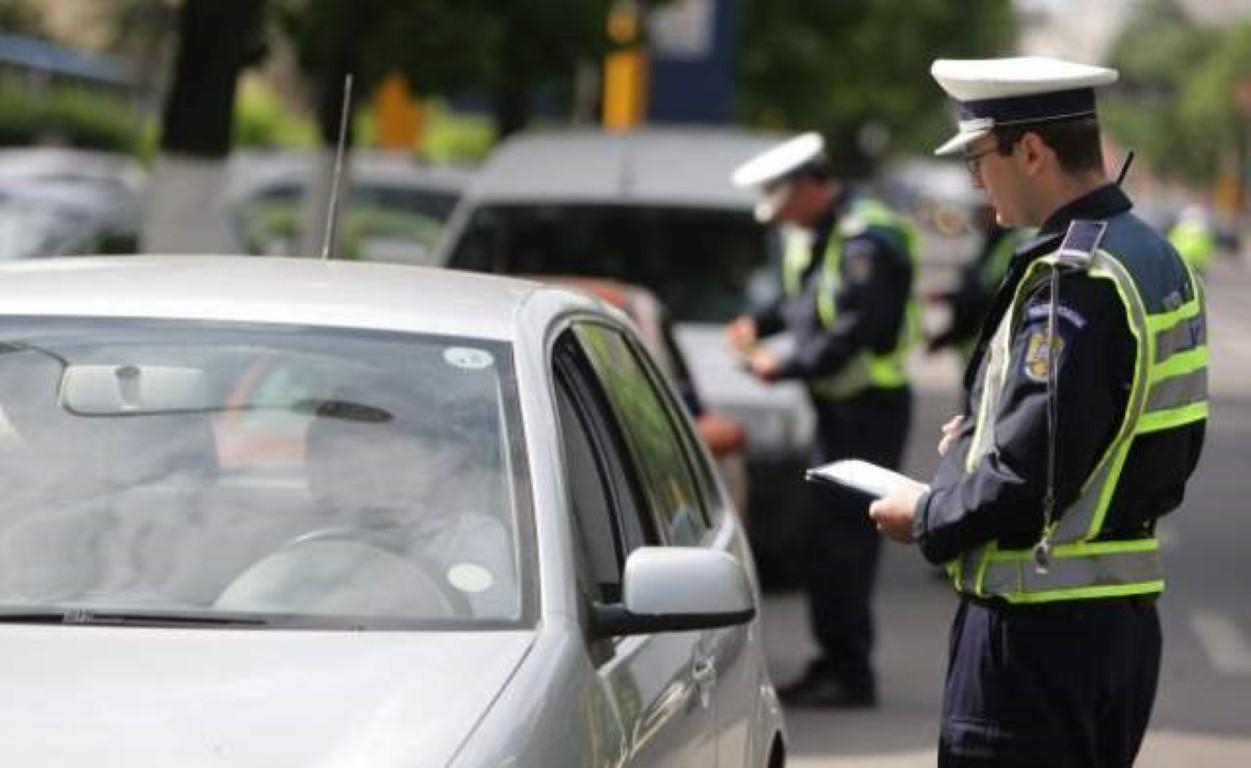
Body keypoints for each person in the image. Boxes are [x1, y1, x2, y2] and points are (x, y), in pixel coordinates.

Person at [868, 57, 1208, 766]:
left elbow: (1026, 479)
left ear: (1029, 150)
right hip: (1114, 629)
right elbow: (1125, 430)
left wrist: (923, 515)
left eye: (977, 157)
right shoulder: (1152, 256)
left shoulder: (1076, 281)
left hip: (1036, 637)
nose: (972, 180)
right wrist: (984, 432)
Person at [727, 132, 917, 708]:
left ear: (811, 185)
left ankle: (849, 672)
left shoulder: (867, 239)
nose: (782, 218)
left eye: (785, 205)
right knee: (827, 543)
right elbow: (804, 303)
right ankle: (834, 661)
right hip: (839, 410)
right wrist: (758, 326)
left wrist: (777, 368)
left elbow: (858, 328)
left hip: (869, 410)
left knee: (845, 546)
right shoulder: (822, 234)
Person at [927, 202, 1033, 364]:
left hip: (988, 345)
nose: (978, 216)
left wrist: (947, 336)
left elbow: (991, 296)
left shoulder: (1011, 242)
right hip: (976, 342)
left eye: (984, 209)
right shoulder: (992, 239)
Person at [1167, 204, 1215, 275]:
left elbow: (1170, 242)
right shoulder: (1203, 231)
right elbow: (1209, 247)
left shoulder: (1179, 229)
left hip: (1181, 260)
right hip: (1197, 263)